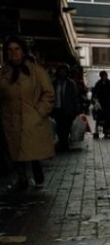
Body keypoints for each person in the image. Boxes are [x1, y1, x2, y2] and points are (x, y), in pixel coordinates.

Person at [0, 36, 55, 191]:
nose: (14, 53)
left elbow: (48, 93)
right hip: (10, 119)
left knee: (31, 148)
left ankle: (36, 170)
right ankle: (22, 178)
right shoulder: (4, 73)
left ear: (23, 51)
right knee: (15, 150)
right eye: (10, 50)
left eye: (17, 49)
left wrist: (40, 111)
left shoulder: (36, 71)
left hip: (32, 119)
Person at [51, 63, 81, 152]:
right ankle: (62, 143)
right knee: (59, 127)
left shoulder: (71, 84)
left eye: (64, 72)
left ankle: (64, 144)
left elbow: (74, 97)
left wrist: (75, 110)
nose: (62, 73)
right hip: (57, 108)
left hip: (67, 110)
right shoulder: (54, 83)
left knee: (66, 127)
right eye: (61, 71)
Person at [92, 70, 110, 138]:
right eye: (102, 76)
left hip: (108, 104)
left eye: (104, 75)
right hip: (101, 104)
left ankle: (107, 131)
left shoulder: (108, 83)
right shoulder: (100, 83)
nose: (103, 77)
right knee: (100, 117)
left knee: (107, 117)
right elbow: (95, 93)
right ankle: (103, 130)